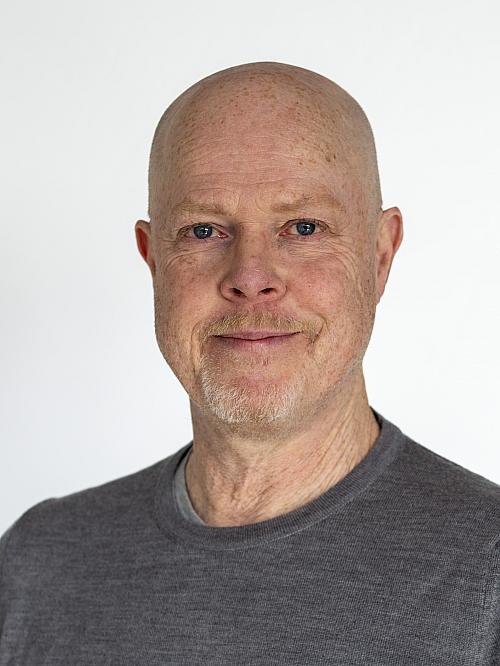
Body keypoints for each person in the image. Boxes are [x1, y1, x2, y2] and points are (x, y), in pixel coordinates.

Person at [1, 61, 499, 665]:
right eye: (204, 230)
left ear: (380, 255)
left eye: (303, 227)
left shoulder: (487, 572)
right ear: (153, 260)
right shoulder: (37, 564)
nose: (251, 277)